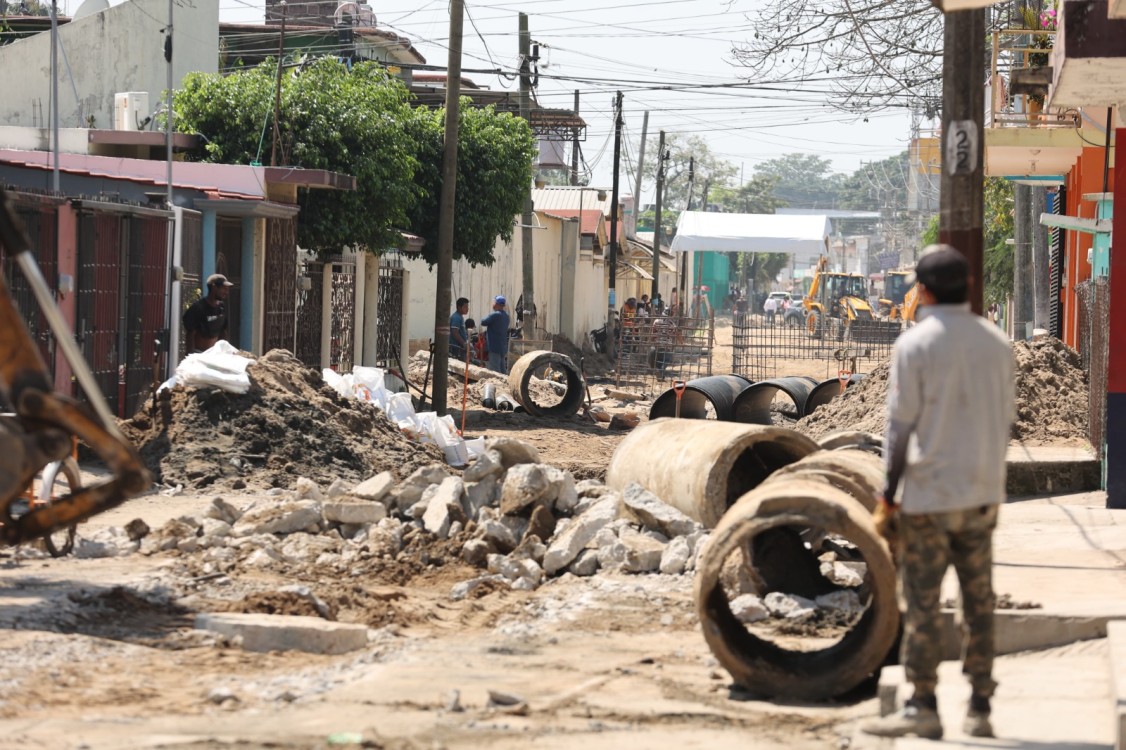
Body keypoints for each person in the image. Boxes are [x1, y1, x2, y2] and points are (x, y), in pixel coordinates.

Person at [862, 245, 1015, 741]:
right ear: (969, 286)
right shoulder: (997, 343)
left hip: (927, 498)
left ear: (923, 291)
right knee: (979, 601)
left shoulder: (915, 345)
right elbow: (1006, 419)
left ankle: (923, 703)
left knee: (923, 603)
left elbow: (900, 428)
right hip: (981, 493)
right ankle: (981, 706)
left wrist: (889, 494)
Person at [182, 273, 235, 353]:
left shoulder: (221, 307)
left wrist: (225, 352)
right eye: (223, 288)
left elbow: (223, 331)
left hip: (214, 354)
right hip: (199, 355)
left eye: (227, 289)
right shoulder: (197, 308)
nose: (226, 292)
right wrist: (191, 356)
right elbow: (190, 334)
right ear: (214, 287)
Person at [480, 295, 511, 374]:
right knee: (502, 368)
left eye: (494, 302)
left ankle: (497, 385)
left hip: (494, 346)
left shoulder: (495, 315)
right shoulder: (506, 316)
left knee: (495, 370)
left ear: (497, 304)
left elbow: (483, 322)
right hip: (502, 346)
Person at [449, 297, 469, 362]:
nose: (467, 309)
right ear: (459, 307)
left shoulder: (460, 317)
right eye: (465, 307)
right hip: (456, 348)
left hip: (460, 348)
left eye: (467, 307)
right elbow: (455, 333)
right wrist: (464, 344)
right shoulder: (456, 317)